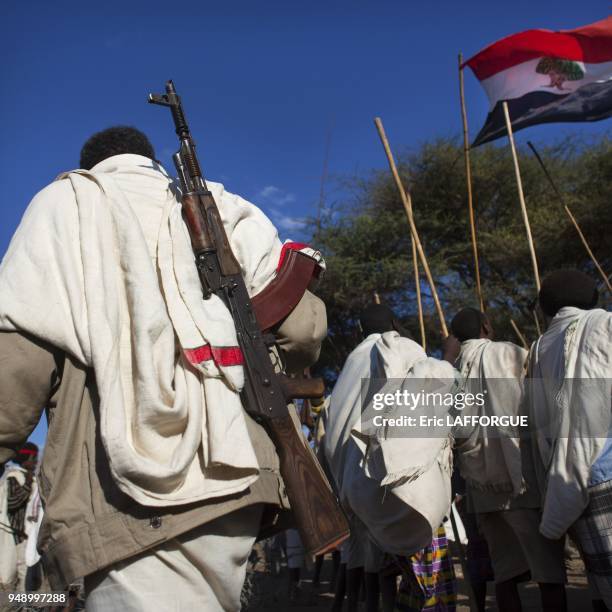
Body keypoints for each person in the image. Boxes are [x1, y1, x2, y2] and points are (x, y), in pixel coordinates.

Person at [0, 126, 327, 611]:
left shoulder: (62, 204)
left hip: (123, 492)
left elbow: (18, 369)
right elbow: (304, 327)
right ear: (150, 159)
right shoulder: (224, 205)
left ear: (90, 164)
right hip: (240, 480)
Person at [323, 304, 460, 611]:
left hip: (357, 492)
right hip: (399, 487)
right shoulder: (402, 347)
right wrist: (448, 360)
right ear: (395, 324)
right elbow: (431, 389)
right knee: (428, 578)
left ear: (360, 332)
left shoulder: (349, 364)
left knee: (384, 569)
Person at [450, 307, 567, 612]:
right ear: (486, 326)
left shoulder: (451, 370)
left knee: (505, 574)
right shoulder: (509, 353)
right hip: (521, 481)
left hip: (480, 488)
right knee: (549, 574)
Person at [527, 269, 612, 611]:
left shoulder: (538, 347)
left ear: (546, 307)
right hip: (604, 466)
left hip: (571, 480)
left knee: (601, 582)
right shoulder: (603, 324)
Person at [0, 442, 38, 591]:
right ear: (26, 458)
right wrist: (28, 484)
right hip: (17, 536)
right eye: (33, 458)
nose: (35, 462)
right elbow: (13, 503)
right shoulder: (14, 476)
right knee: (21, 575)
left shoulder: (30, 477)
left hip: (29, 536)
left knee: (28, 575)